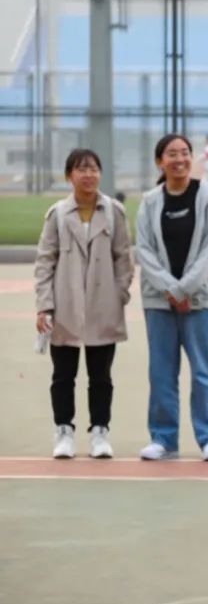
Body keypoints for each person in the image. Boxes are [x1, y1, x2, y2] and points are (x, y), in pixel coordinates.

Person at [33, 149, 133, 459]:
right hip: (65, 307)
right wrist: (45, 305)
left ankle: (99, 432)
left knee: (101, 377)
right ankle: (64, 431)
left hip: (104, 307)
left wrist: (119, 295)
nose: (88, 175)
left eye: (93, 169)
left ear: (100, 173)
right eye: (81, 169)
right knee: (63, 376)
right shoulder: (57, 215)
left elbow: (124, 259)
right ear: (69, 176)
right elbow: (45, 261)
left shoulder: (114, 212)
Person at [135, 134, 208, 462]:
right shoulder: (149, 202)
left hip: (200, 300)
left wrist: (184, 289)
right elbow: (144, 250)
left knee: (204, 371)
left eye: (185, 153)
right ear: (160, 162)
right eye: (172, 154)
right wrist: (170, 290)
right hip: (159, 301)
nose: (180, 159)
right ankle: (163, 439)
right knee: (161, 372)